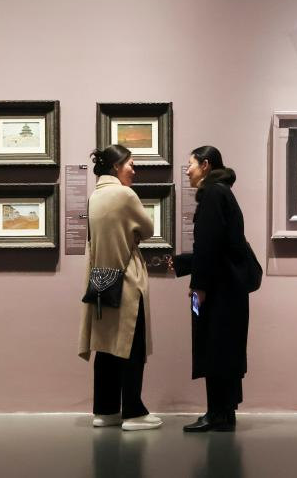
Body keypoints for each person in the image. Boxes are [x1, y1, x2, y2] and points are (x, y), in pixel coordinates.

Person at [77, 144, 160, 431]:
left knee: (106, 347)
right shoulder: (125, 195)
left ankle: (105, 410)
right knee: (131, 346)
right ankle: (133, 412)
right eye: (131, 164)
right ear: (116, 166)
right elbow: (148, 229)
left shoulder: (94, 197)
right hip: (127, 280)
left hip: (101, 280)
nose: (134, 170)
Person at [172, 145, 250, 433]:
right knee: (226, 348)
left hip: (215, 289)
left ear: (205, 165)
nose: (187, 171)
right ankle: (225, 412)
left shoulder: (213, 194)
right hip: (228, 287)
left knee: (212, 345)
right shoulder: (222, 192)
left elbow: (208, 245)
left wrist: (198, 287)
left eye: (190, 164)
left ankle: (217, 413)